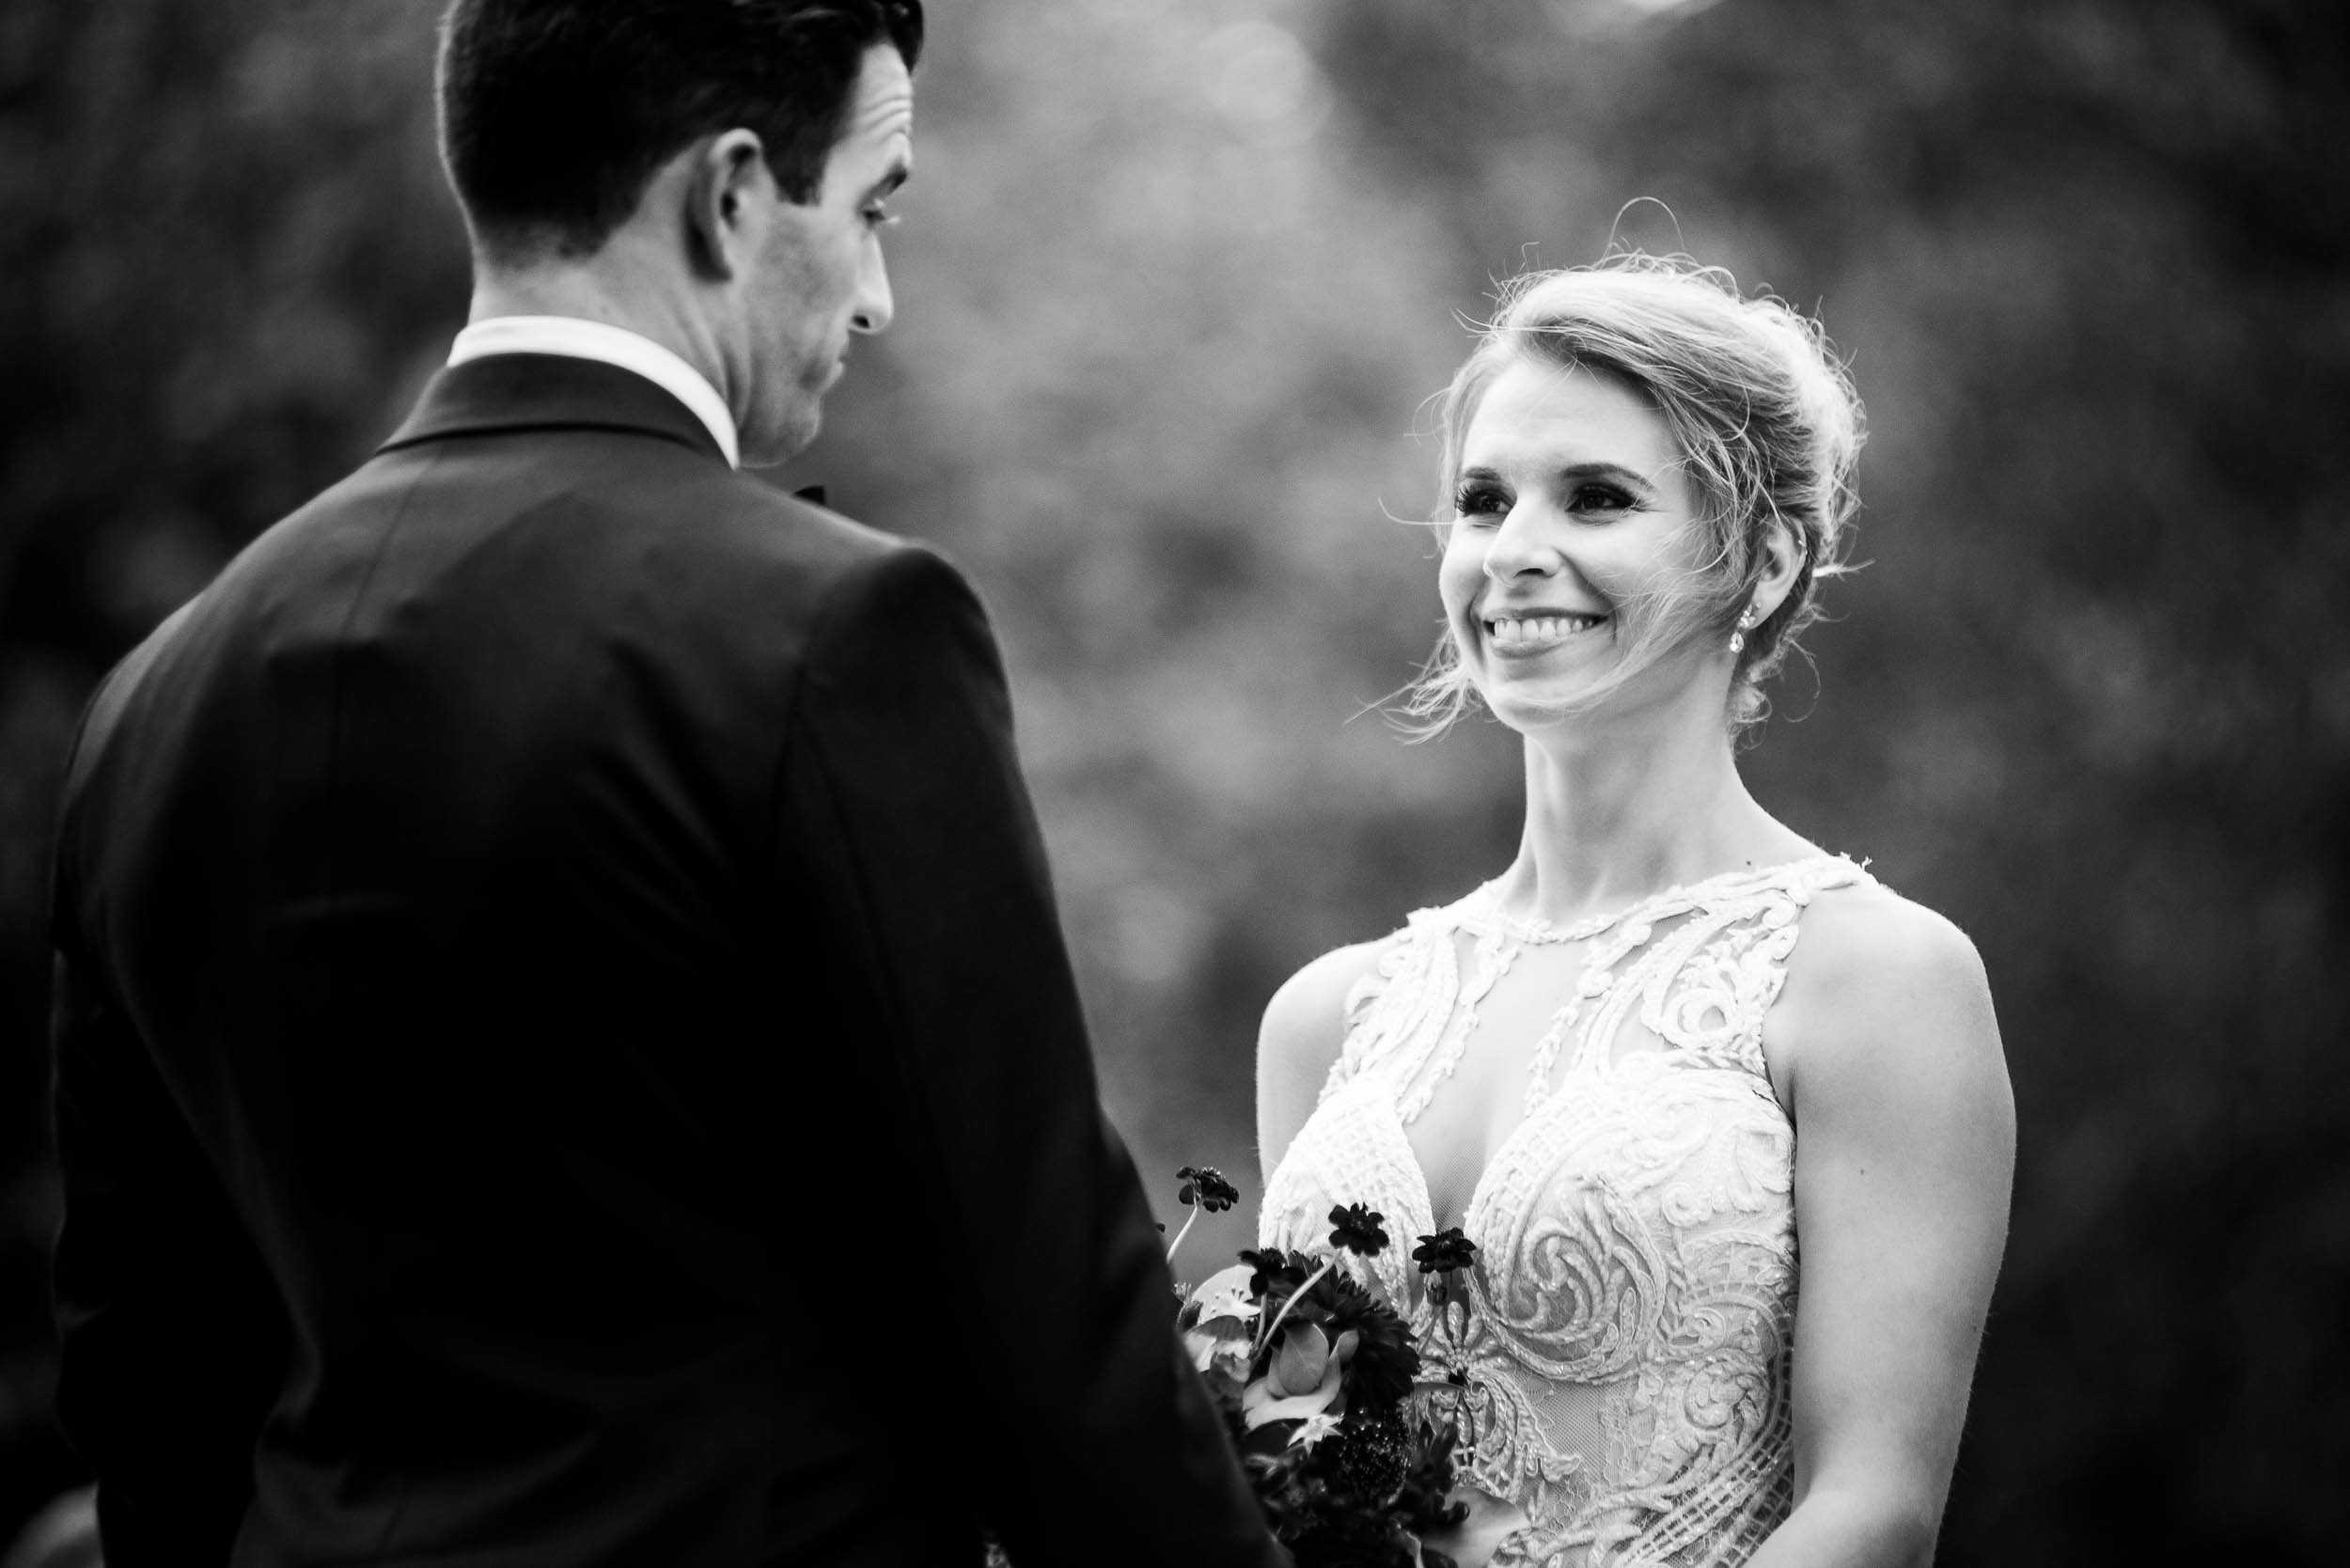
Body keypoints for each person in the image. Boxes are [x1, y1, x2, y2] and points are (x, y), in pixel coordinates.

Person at [46, 3, 1282, 1564]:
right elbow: (1045, 1309)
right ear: (733, 194)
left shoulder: (159, 696)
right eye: (874, 205)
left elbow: (145, 1373)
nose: (882, 296)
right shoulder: (829, 632)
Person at [1255, 254, 2014, 1568]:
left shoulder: (1877, 981)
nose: (1516, 552)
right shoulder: (1328, 1015)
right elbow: (1287, 1456)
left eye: (1597, 498)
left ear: (1764, 564)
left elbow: (1874, 1510)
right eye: (1482, 502)